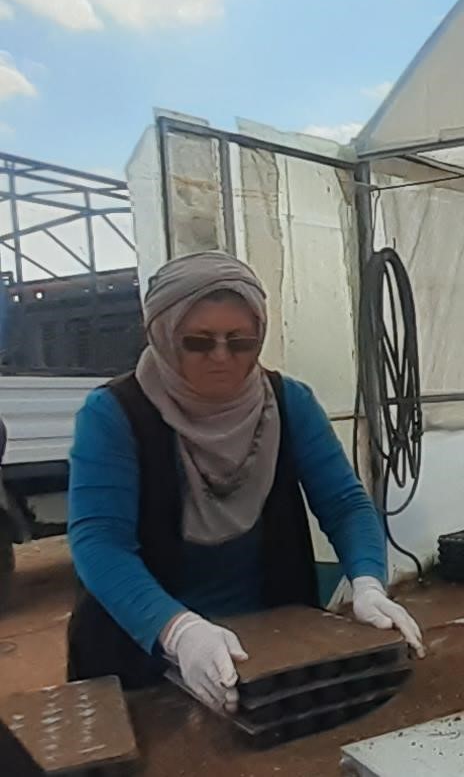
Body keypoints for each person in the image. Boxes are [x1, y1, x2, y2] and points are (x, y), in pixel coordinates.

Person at [67, 251, 424, 713]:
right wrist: (179, 632)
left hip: (269, 648)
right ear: (162, 334)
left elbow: (345, 503)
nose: (221, 357)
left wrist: (368, 582)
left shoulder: (288, 403)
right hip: (142, 652)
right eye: (198, 342)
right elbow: (100, 542)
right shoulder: (114, 415)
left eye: (240, 342)